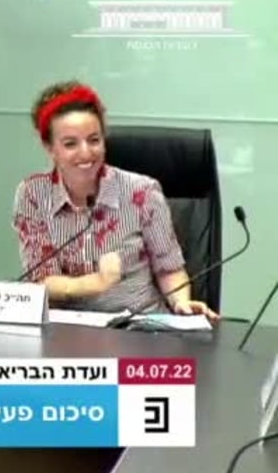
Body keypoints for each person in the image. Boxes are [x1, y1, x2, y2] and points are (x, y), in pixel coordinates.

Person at [12, 80, 217, 319]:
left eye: (94, 140)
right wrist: (97, 283)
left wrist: (181, 303)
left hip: (138, 324)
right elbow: (41, 280)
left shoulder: (142, 192)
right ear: (49, 147)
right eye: (70, 144)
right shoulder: (33, 194)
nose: (86, 152)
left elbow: (169, 269)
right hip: (68, 327)